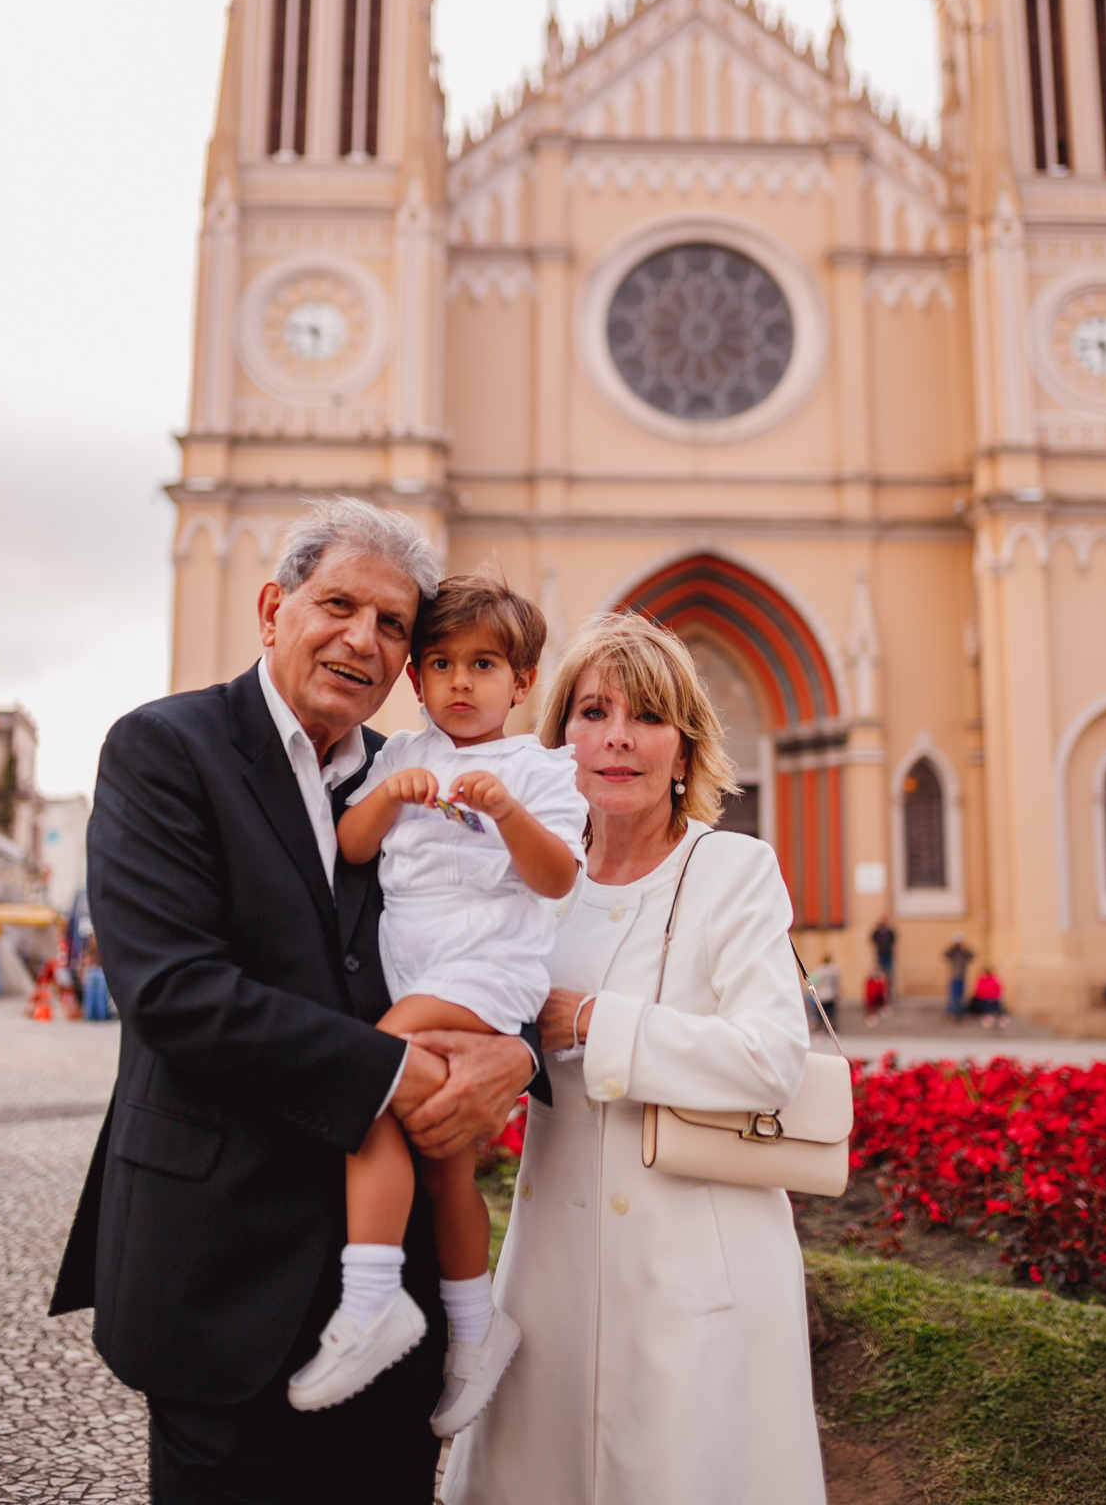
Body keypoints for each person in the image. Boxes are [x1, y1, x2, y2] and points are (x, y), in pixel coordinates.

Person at [48, 499, 544, 1505]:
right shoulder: (165, 749)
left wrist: (518, 1051)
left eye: (393, 624)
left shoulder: (414, 775)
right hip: (220, 1267)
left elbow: (492, 929)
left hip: (395, 1291)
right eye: (339, 605)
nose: (363, 638)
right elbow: (174, 993)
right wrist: (399, 1072)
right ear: (275, 609)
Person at [444, 614, 826, 1505]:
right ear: (559, 741)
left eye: (648, 717)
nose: (618, 737)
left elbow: (772, 1060)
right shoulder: (533, 883)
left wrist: (592, 1023)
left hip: (697, 1278)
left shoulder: (734, 870)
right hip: (551, 1275)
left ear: (684, 751)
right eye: (593, 712)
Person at [290, 573, 585, 1431]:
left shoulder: (539, 769)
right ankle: (475, 1328)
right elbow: (351, 847)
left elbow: (557, 878)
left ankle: (371, 1297)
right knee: (445, 1158)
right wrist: (389, 795)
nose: (461, 682)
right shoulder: (400, 756)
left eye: (484, 665)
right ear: (416, 679)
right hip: (412, 969)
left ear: (522, 682)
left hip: (486, 968)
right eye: (442, 665)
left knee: (364, 1077)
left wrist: (507, 813)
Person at [943, 937, 974, 1020]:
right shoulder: (953, 952)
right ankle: (952, 1013)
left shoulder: (964, 953)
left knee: (961, 996)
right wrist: (950, 946)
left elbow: (972, 956)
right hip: (954, 977)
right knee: (953, 996)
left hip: (962, 977)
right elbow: (945, 954)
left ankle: (961, 1013)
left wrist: (966, 947)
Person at [809, 949, 840, 1031]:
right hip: (832, 994)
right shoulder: (834, 970)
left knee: (822, 1013)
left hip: (822, 995)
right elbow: (837, 982)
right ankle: (831, 1028)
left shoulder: (819, 970)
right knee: (831, 1014)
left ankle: (822, 1028)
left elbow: (814, 982)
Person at [871, 916, 896, 996]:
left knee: (889, 975)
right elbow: (872, 938)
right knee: (879, 976)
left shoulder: (889, 932)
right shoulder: (877, 933)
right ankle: (879, 993)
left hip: (888, 956)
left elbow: (893, 939)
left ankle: (888, 993)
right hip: (880, 956)